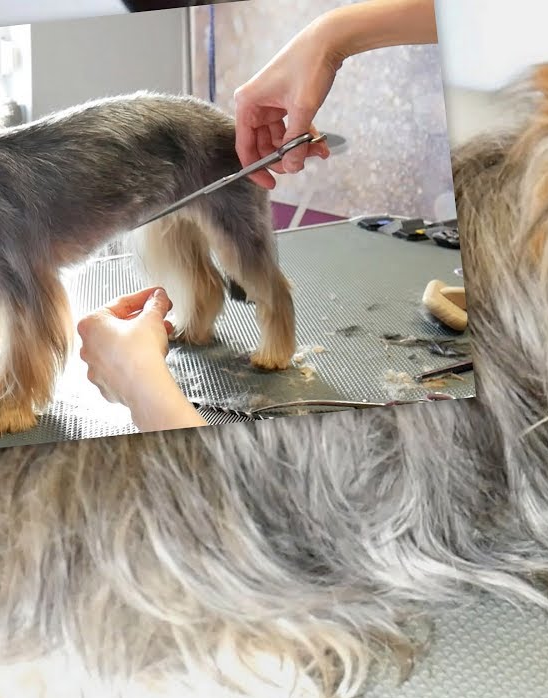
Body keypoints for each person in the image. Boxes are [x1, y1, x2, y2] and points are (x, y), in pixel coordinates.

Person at [78, 0, 437, 431]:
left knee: (248, 259)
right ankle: (197, 318)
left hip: (203, 148)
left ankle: (278, 332)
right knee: (169, 242)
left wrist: (327, 40)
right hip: (163, 160)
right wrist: (327, 39)